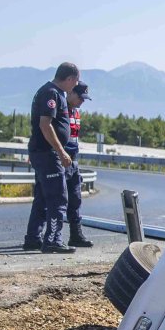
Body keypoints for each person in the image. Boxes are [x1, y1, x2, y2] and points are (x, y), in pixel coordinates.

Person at [23, 62, 79, 254]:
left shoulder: (51, 92)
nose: (75, 87)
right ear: (70, 78)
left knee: (42, 196)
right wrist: (61, 152)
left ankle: (33, 238)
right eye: (75, 82)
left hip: (43, 152)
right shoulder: (51, 93)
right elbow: (45, 125)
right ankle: (53, 239)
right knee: (58, 197)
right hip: (49, 153)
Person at [65, 82, 94, 248]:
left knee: (75, 199)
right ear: (71, 93)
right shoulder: (60, 109)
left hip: (73, 159)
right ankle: (46, 237)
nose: (82, 102)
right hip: (61, 159)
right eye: (80, 98)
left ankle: (76, 235)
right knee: (56, 201)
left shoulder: (76, 112)